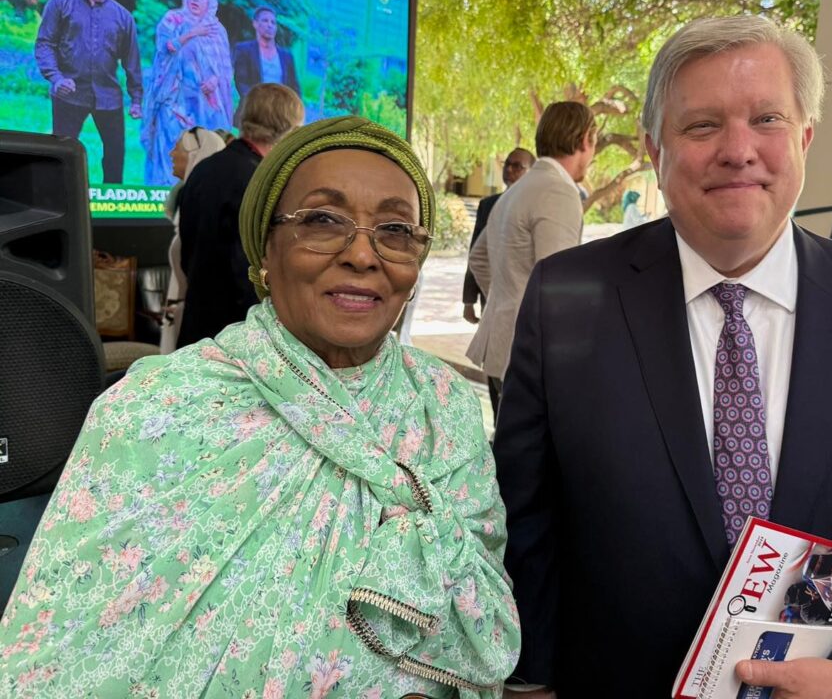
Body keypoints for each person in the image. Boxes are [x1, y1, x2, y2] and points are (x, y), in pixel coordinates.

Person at [494, 16, 832, 698]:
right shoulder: (567, 298)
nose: (738, 150)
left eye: (766, 119)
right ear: (653, 148)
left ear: (805, 139)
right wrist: (531, 680)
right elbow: (525, 513)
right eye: (702, 126)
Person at [0, 116, 520, 697]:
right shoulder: (156, 408)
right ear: (264, 251)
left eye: (396, 230)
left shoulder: (442, 405)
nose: (363, 255)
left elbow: (477, 592)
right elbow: (66, 655)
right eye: (323, 220)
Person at [466, 102, 595, 408]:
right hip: (532, 356)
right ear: (583, 140)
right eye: (594, 143)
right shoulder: (558, 191)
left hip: (503, 347)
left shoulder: (517, 189)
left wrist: (507, 300)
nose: (593, 155)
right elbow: (559, 285)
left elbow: (478, 258)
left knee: (508, 446)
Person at [176, 83, 305, 348]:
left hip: (197, 328)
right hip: (240, 338)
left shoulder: (203, 170)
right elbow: (248, 272)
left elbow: (187, 253)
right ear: (290, 130)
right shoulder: (261, 182)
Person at [34, 0, 142, 184]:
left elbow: (131, 61)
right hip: (68, 95)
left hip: (109, 97)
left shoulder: (123, 17)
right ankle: (60, 205)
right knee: (61, 156)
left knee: (114, 156)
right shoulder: (60, 3)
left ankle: (113, 210)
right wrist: (56, 78)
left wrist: (136, 100)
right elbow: (44, 44)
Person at [463, 147, 536, 417]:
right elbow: (476, 254)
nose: (510, 170)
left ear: (531, 171)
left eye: (518, 166)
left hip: (522, 308)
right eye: (508, 164)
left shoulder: (535, 206)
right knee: (494, 366)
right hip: (492, 300)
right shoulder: (488, 204)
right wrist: (470, 299)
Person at [142, 0, 234, 186]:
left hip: (204, 103)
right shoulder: (173, 19)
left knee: (204, 152)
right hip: (173, 100)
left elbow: (224, 68)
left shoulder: (216, 30)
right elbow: (165, 49)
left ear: (208, 2)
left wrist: (215, 80)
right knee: (171, 148)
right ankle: (163, 196)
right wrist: (192, 33)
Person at [159, 126, 227, 353]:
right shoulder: (184, 197)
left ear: (193, 155)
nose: (171, 154)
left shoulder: (209, 210)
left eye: (177, 148)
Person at [233, 6, 302, 107]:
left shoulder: (286, 56)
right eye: (265, 21)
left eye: (273, 22)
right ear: (255, 24)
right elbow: (242, 83)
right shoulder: (244, 50)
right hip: (253, 109)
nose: (269, 25)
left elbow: (295, 87)